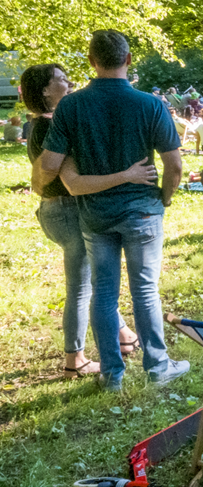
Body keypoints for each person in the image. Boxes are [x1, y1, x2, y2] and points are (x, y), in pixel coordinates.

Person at [37, 30, 188, 391]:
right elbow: (176, 166)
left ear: (92, 62)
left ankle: (112, 375)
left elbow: (49, 165)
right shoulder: (149, 104)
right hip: (142, 211)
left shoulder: (70, 106)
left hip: (95, 214)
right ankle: (157, 367)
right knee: (145, 290)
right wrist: (164, 198)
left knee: (103, 292)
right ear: (129, 60)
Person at [22, 63, 151, 379]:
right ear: (44, 91)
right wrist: (127, 175)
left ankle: (123, 335)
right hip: (65, 209)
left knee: (95, 281)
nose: (68, 82)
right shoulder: (47, 127)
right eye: (60, 79)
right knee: (81, 286)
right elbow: (70, 178)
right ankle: (74, 361)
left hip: (62, 209)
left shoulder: (51, 122)